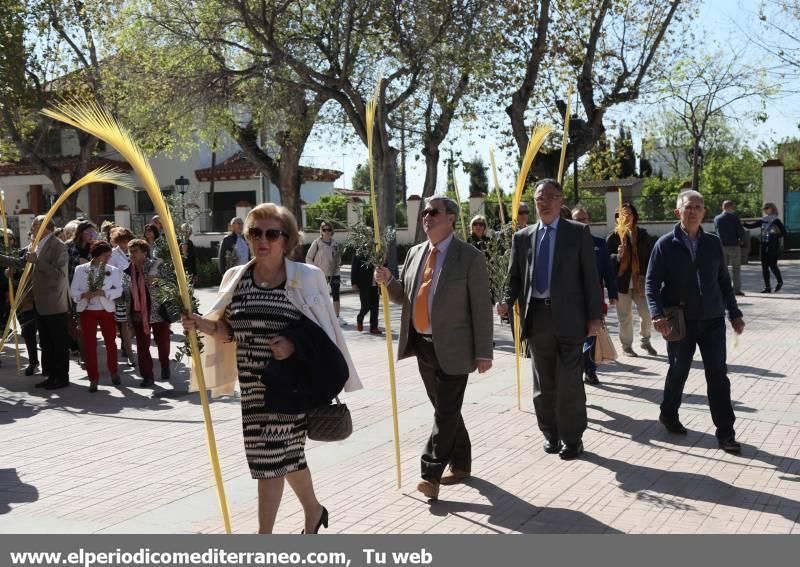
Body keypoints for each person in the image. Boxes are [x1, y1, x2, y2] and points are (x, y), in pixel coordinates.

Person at [182, 203, 362, 534]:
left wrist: (293, 345)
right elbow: (230, 330)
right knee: (287, 458)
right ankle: (314, 511)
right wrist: (202, 325)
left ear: (287, 239)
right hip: (252, 392)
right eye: (255, 232)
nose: (263, 239)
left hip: (289, 388)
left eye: (272, 233)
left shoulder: (306, 278)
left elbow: (324, 334)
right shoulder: (236, 279)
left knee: (269, 465)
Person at [375, 196, 493, 501]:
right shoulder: (414, 253)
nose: (427, 216)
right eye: (425, 212)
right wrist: (389, 282)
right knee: (446, 410)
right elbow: (406, 297)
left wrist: (484, 352)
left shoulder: (468, 257)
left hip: (456, 348)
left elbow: (481, 307)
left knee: (445, 413)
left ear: (451, 218)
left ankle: (430, 474)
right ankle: (462, 463)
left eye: (434, 212)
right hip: (423, 345)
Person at [499, 179, 602, 461]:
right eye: (538, 199)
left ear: (560, 200)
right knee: (543, 383)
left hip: (571, 319)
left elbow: (591, 279)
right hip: (537, 318)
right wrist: (505, 301)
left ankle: (573, 438)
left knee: (569, 382)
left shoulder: (578, 233)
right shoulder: (523, 237)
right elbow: (514, 277)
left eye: (549, 197)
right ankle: (551, 433)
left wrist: (595, 317)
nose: (543, 203)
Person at [646, 190, 745, 454]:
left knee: (718, 377)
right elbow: (651, 283)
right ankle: (668, 413)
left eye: (698, 207)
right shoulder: (664, 245)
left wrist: (734, 314)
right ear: (678, 212)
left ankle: (726, 433)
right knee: (678, 372)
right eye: (689, 207)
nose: (693, 211)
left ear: (704, 213)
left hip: (712, 320)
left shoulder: (713, 243)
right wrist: (656, 313)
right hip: (680, 321)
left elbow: (724, 282)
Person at [571, 206, 618, 385]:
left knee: (592, 333)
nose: (580, 222)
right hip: (572, 299)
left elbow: (608, 270)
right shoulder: (565, 244)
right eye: (576, 219)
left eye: (583, 219)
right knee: (575, 335)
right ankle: (575, 370)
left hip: (593, 296)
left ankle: (590, 370)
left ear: (589, 221)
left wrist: (612, 293)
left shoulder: (599, 244)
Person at [69, 241, 123, 392]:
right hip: (87, 310)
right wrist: (83, 295)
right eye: (106, 256)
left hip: (106, 310)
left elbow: (119, 290)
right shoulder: (81, 269)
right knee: (89, 345)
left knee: (111, 343)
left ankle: (114, 372)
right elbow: (73, 291)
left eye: (109, 256)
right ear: (97, 255)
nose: (108, 258)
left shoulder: (112, 270)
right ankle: (93, 378)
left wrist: (105, 293)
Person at [606, 203, 656, 357]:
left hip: (640, 281)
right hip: (621, 283)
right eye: (622, 215)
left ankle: (645, 340)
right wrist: (618, 256)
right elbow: (607, 261)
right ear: (617, 218)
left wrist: (650, 278)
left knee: (647, 313)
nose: (626, 217)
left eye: (629, 214)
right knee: (625, 316)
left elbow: (650, 258)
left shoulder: (642, 234)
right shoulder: (613, 237)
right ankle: (626, 346)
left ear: (635, 216)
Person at [26, 216, 70, 389]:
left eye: (35, 225)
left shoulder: (59, 246)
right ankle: (51, 375)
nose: (32, 228)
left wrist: (38, 261)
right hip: (39, 302)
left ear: (46, 227)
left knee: (58, 342)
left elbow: (59, 275)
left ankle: (62, 377)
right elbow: (29, 268)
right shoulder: (34, 245)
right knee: (45, 342)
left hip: (54, 302)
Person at [125, 239, 171, 386]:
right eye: (130, 251)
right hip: (138, 314)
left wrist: (155, 278)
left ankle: (165, 366)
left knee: (162, 342)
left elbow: (169, 282)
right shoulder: (127, 270)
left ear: (144, 253)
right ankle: (147, 376)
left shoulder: (155, 266)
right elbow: (126, 294)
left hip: (158, 311)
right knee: (142, 346)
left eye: (135, 251)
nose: (132, 254)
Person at [744, 202, 786, 293]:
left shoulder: (776, 221)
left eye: (767, 208)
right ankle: (767, 287)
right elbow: (750, 226)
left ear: (772, 208)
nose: (765, 209)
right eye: (764, 208)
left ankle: (780, 281)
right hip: (764, 245)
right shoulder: (763, 220)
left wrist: (776, 233)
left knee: (772, 265)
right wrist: (741, 223)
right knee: (764, 266)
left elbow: (783, 233)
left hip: (773, 246)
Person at [108, 227, 135, 367]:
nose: (124, 245)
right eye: (121, 242)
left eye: (126, 241)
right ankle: (127, 349)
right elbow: (120, 271)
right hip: (119, 292)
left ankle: (126, 345)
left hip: (133, 291)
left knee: (132, 322)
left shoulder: (132, 252)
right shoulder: (113, 254)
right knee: (123, 322)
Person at [306, 221, 344, 322]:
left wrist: (337, 262)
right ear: (321, 231)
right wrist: (315, 270)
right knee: (321, 296)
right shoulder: (317, 243)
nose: (326, 232)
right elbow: (308, 258)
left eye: (329, 229)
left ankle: (337, 317)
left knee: (336, 295)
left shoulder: (335, 244)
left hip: (334, 274)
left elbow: (339, 259)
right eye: (324, 229)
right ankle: (321, 316)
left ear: (332, 231)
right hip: (321, 275)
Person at [714, 201, 746, 296]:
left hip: (721, 245)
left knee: (723, 269)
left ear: (722, 207)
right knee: (736, 269)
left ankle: (723, 289)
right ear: (731, 207)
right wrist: (741, 240)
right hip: (734, 245)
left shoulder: (717, 218)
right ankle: (736, 290)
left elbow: (716, 231)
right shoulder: (735, 218)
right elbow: (740, 231)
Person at [351, 251, 381, 335]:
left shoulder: (379, 249)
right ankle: (360, 318)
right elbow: (354, 268)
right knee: (366, 305)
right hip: (364, 283)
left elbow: (385, 264)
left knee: (375, 306)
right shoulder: (360, 251)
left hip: (376, 283)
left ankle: (374, 327)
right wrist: (354, 283)